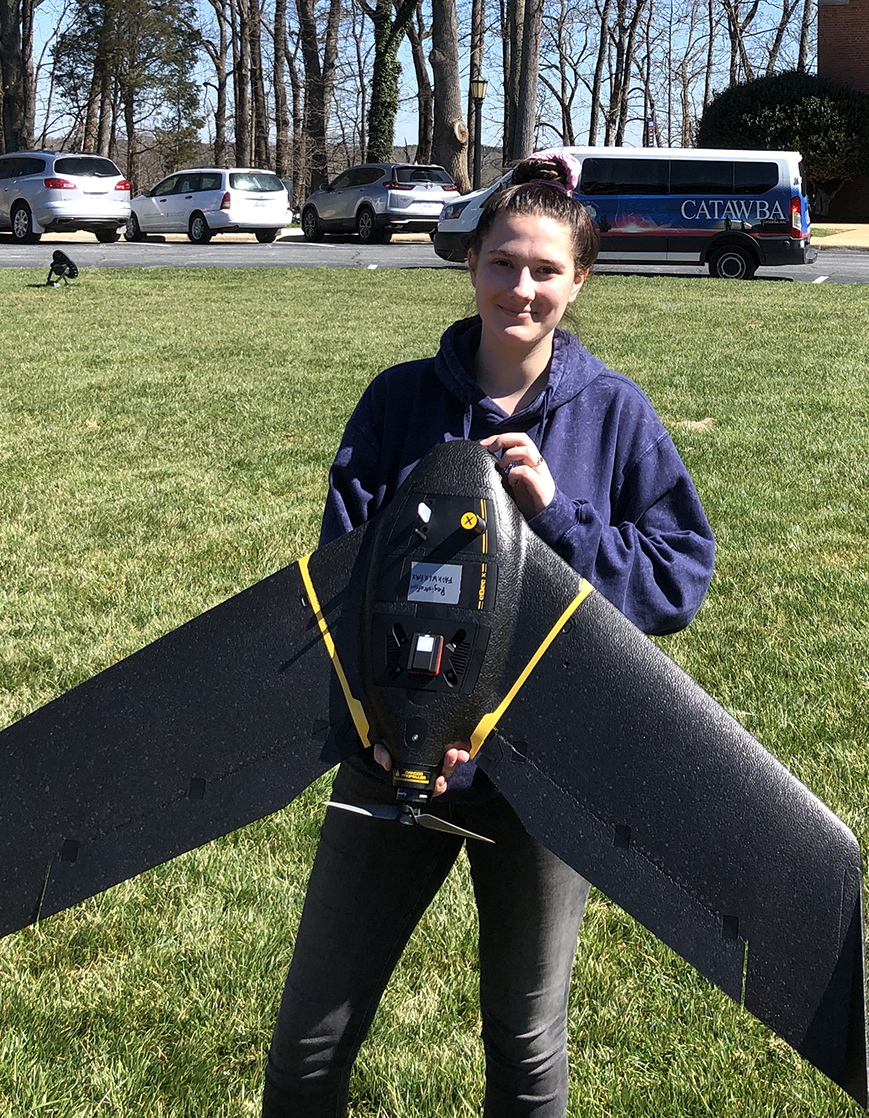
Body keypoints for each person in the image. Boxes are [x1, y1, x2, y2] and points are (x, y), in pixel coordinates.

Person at [261, 153, 717, 1118]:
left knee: (525, 1047)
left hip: (545, 779)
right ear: (471, 264)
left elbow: (678, 577)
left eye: (547, 270)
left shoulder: (614, 414)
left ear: (579, 281)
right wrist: (382, 724)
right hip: (394, 761)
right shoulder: (398, 403)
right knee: (309, 1043)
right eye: (504, 262)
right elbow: (341, 577)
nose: (523, 287)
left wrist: (559, 518)